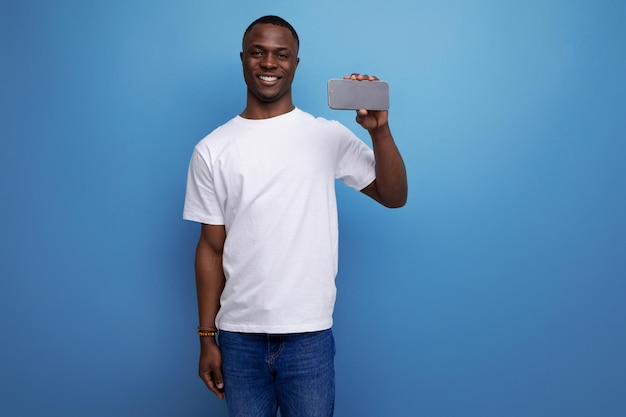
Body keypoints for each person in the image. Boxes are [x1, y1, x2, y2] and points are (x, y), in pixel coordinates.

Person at [183, 15, 407, 417]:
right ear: (243, 60)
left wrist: (379, 132)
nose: (270, 63)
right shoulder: (212, 149)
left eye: (281, 54)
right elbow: (211, 247)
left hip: (309, 336)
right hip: (239, 337)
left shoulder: (326, 136)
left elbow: (394, 196)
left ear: (296, 64)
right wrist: (206, 337)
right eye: (259, 52)